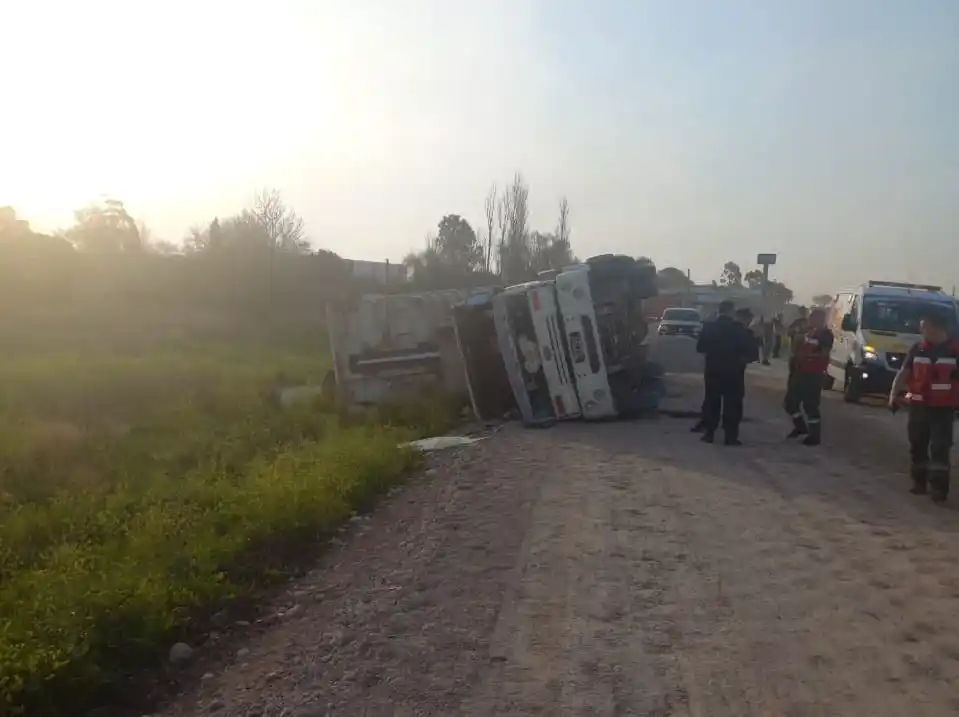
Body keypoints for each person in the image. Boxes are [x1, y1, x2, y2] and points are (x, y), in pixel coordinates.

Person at [888, 313, 959, 503]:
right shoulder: (917, 349)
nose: (921, 331)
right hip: (918, 406)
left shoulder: (954, 351)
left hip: (943, 409)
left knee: (940, 448)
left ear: (939, 328)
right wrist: (893, 395)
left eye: (924, 327)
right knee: (917, 444)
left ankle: (939, 488)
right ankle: (919, 482)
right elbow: (904, 373)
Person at [695, 300, 759, 445]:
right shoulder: (740, 330)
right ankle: (730, 437)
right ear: (731, 312)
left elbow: (700, 348)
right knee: (733, 405)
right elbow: (752, 354)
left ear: (719, 311)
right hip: (734, 373)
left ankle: (709, 433)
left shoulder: (709, 327)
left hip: (713, 371)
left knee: (712, 402)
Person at [784, 308, 833, 446]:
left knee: (810, 405)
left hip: (813, 374)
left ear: (821, 319)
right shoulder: (809, 332)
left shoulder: (825, 335)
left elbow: (824, 354)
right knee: (790, 403)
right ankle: (800, 427)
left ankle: (814, 436)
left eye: (813, 317)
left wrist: (807, 356)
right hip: (799, 371)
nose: (810, 320)